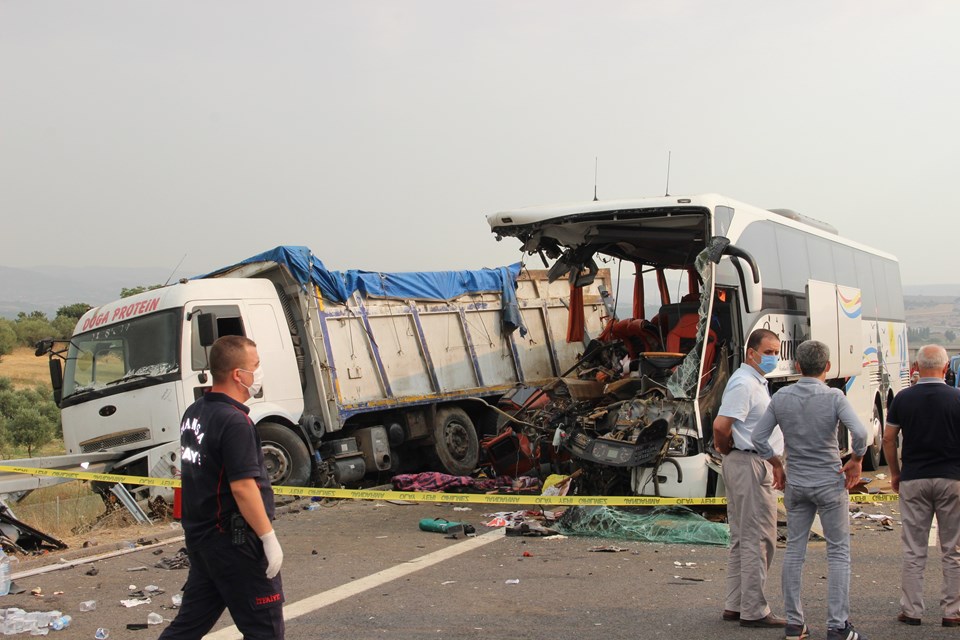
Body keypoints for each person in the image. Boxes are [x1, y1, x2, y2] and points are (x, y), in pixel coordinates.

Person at [159, 335, 285, 640]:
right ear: (238, 375)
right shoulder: (235, 422)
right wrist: (268, 537)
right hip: (235, 544)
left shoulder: (195, 413)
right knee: (264, 630)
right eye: (255, 366)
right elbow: (243, 487)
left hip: (203, 542)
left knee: (188, 628)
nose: (259, 372)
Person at [753, 340, 869, 640]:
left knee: (794, 551)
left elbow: (758, 437)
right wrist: (856, 459)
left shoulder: (781, 398)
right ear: (827, 367)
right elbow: (859, 432)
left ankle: (795, 624)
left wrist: (776, 464)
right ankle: (838, 626)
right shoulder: (835, 397)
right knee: (838, 552)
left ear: (798, 367)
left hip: (797, 482)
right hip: (829, 482)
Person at [713, 328, 786, 628]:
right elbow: (721, 425)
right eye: (768, 352)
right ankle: (754, 609)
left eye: (776, 352)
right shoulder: (744, 383)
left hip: (751, 462)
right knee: (760, 539)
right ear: (751, 353)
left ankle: (736, 603)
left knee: (744, 537)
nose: (773, 357)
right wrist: (725, 447)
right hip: (750, 463)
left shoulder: (756, 382)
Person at [883, 344, 960, 628]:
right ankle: (952, 611)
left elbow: (888, 439)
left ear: (916, 367)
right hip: (952, 478)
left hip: (914, 478)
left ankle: (912, 610)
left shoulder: (903, 398)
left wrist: (895, 473)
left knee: (914, 548)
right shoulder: (957, 398)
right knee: (953, 549)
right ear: (946, 368)